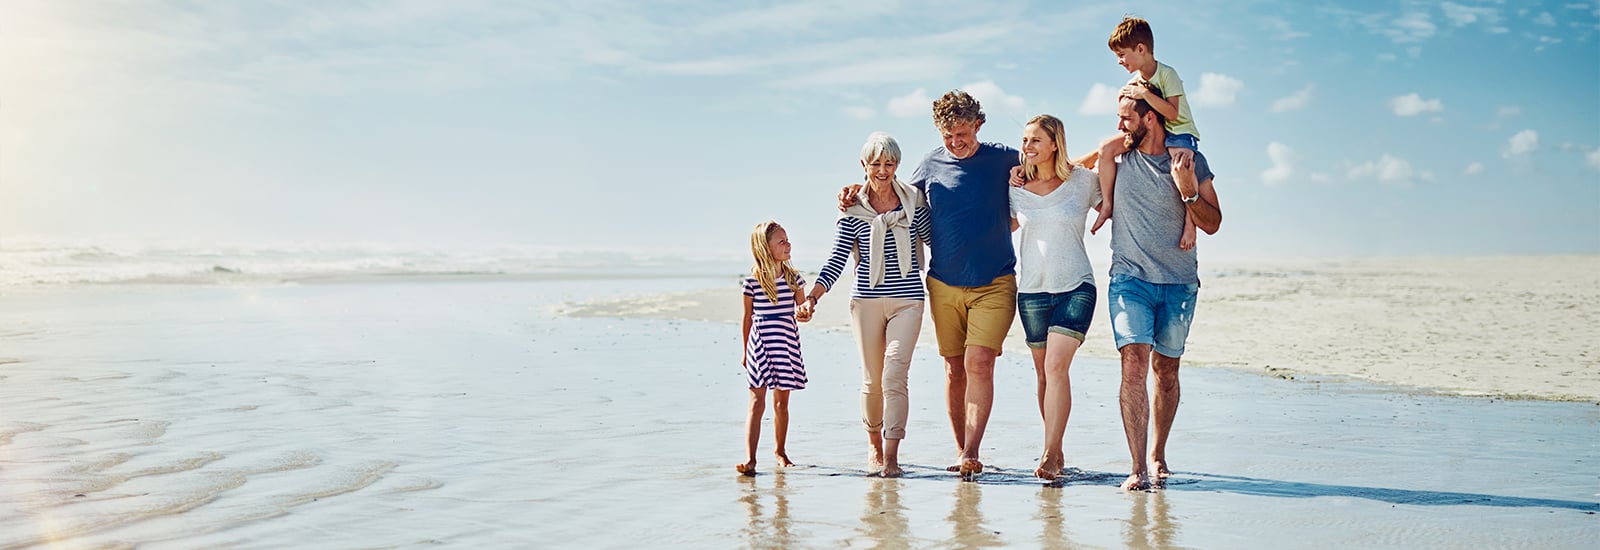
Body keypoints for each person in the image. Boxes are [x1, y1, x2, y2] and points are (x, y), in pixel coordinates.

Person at [839, 90, 1018, 479]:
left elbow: (1050, 167)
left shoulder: (1004, 158)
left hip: (996, 280)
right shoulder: (929, 165)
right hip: (943, 283)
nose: (955, 143)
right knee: (954, 368)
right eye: (947, 135)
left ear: (978, 125)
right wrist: (852, 193)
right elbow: (889, 193)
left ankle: (972, 451)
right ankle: (959, 448)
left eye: (963, 134)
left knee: (979, 362)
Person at [1099, 81, 1222, 491]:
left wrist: (1187, 192)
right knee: (1133, 361)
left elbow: (1214, 222)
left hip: (1179, 283)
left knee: (1165, 371)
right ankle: (1135, 467)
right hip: (1129, 278)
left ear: (1150, 117)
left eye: (1126, 117)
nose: (1120, 124)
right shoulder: (1118, 155)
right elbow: (1068, 165)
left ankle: (1158, 455)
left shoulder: (1190, 160)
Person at [802, 132, 932, 478]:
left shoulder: (913, 201)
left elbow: (937, 241)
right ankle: (873, 447)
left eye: (889, 164)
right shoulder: (853, 208)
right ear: (864, 165)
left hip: (908, 300)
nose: (883, 170)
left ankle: (891, 456)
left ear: (897, 165)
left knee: (894, 374)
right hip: (866, 301)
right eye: (876, 163)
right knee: (873, 380)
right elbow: (837, 260)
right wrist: (812, 297)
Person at [1008, 114, 1101, 481]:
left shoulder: (1082, 182)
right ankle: (1057, 450)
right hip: (1031, 291)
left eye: (1035, 140)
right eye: (1025, 140)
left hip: (1076, 286)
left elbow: (1113, 178)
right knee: (1044, 377)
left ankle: (1048, 453)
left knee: (1056, 368)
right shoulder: (1014, 188)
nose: (1027, 146)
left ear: (1054, 145)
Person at [1092, 16, 1205, 252]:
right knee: (1106, 148)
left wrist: (1144, 95)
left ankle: (1190, 224)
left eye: (1122, 55)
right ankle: (1108, 205)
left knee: (1180, 169)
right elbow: (1134, 108)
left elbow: (1173, 114)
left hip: (1180, 133)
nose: (1119, 61)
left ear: (1141, 49)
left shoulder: (1167, 74)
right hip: (1151, 131)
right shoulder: (1135, 81)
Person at [737, 221, 814, 476]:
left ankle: (780, 452)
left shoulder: (794, 278)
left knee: (781, 404)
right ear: (765, 247)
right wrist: (745, 351)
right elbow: (747, 318)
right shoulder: (752, 281)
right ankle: (750, 459)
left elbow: (802, 310)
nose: (788, 244)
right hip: (760, 344)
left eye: (787, 239)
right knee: (756, 402)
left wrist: (805, 312)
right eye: (781, 241)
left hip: (785, 343)